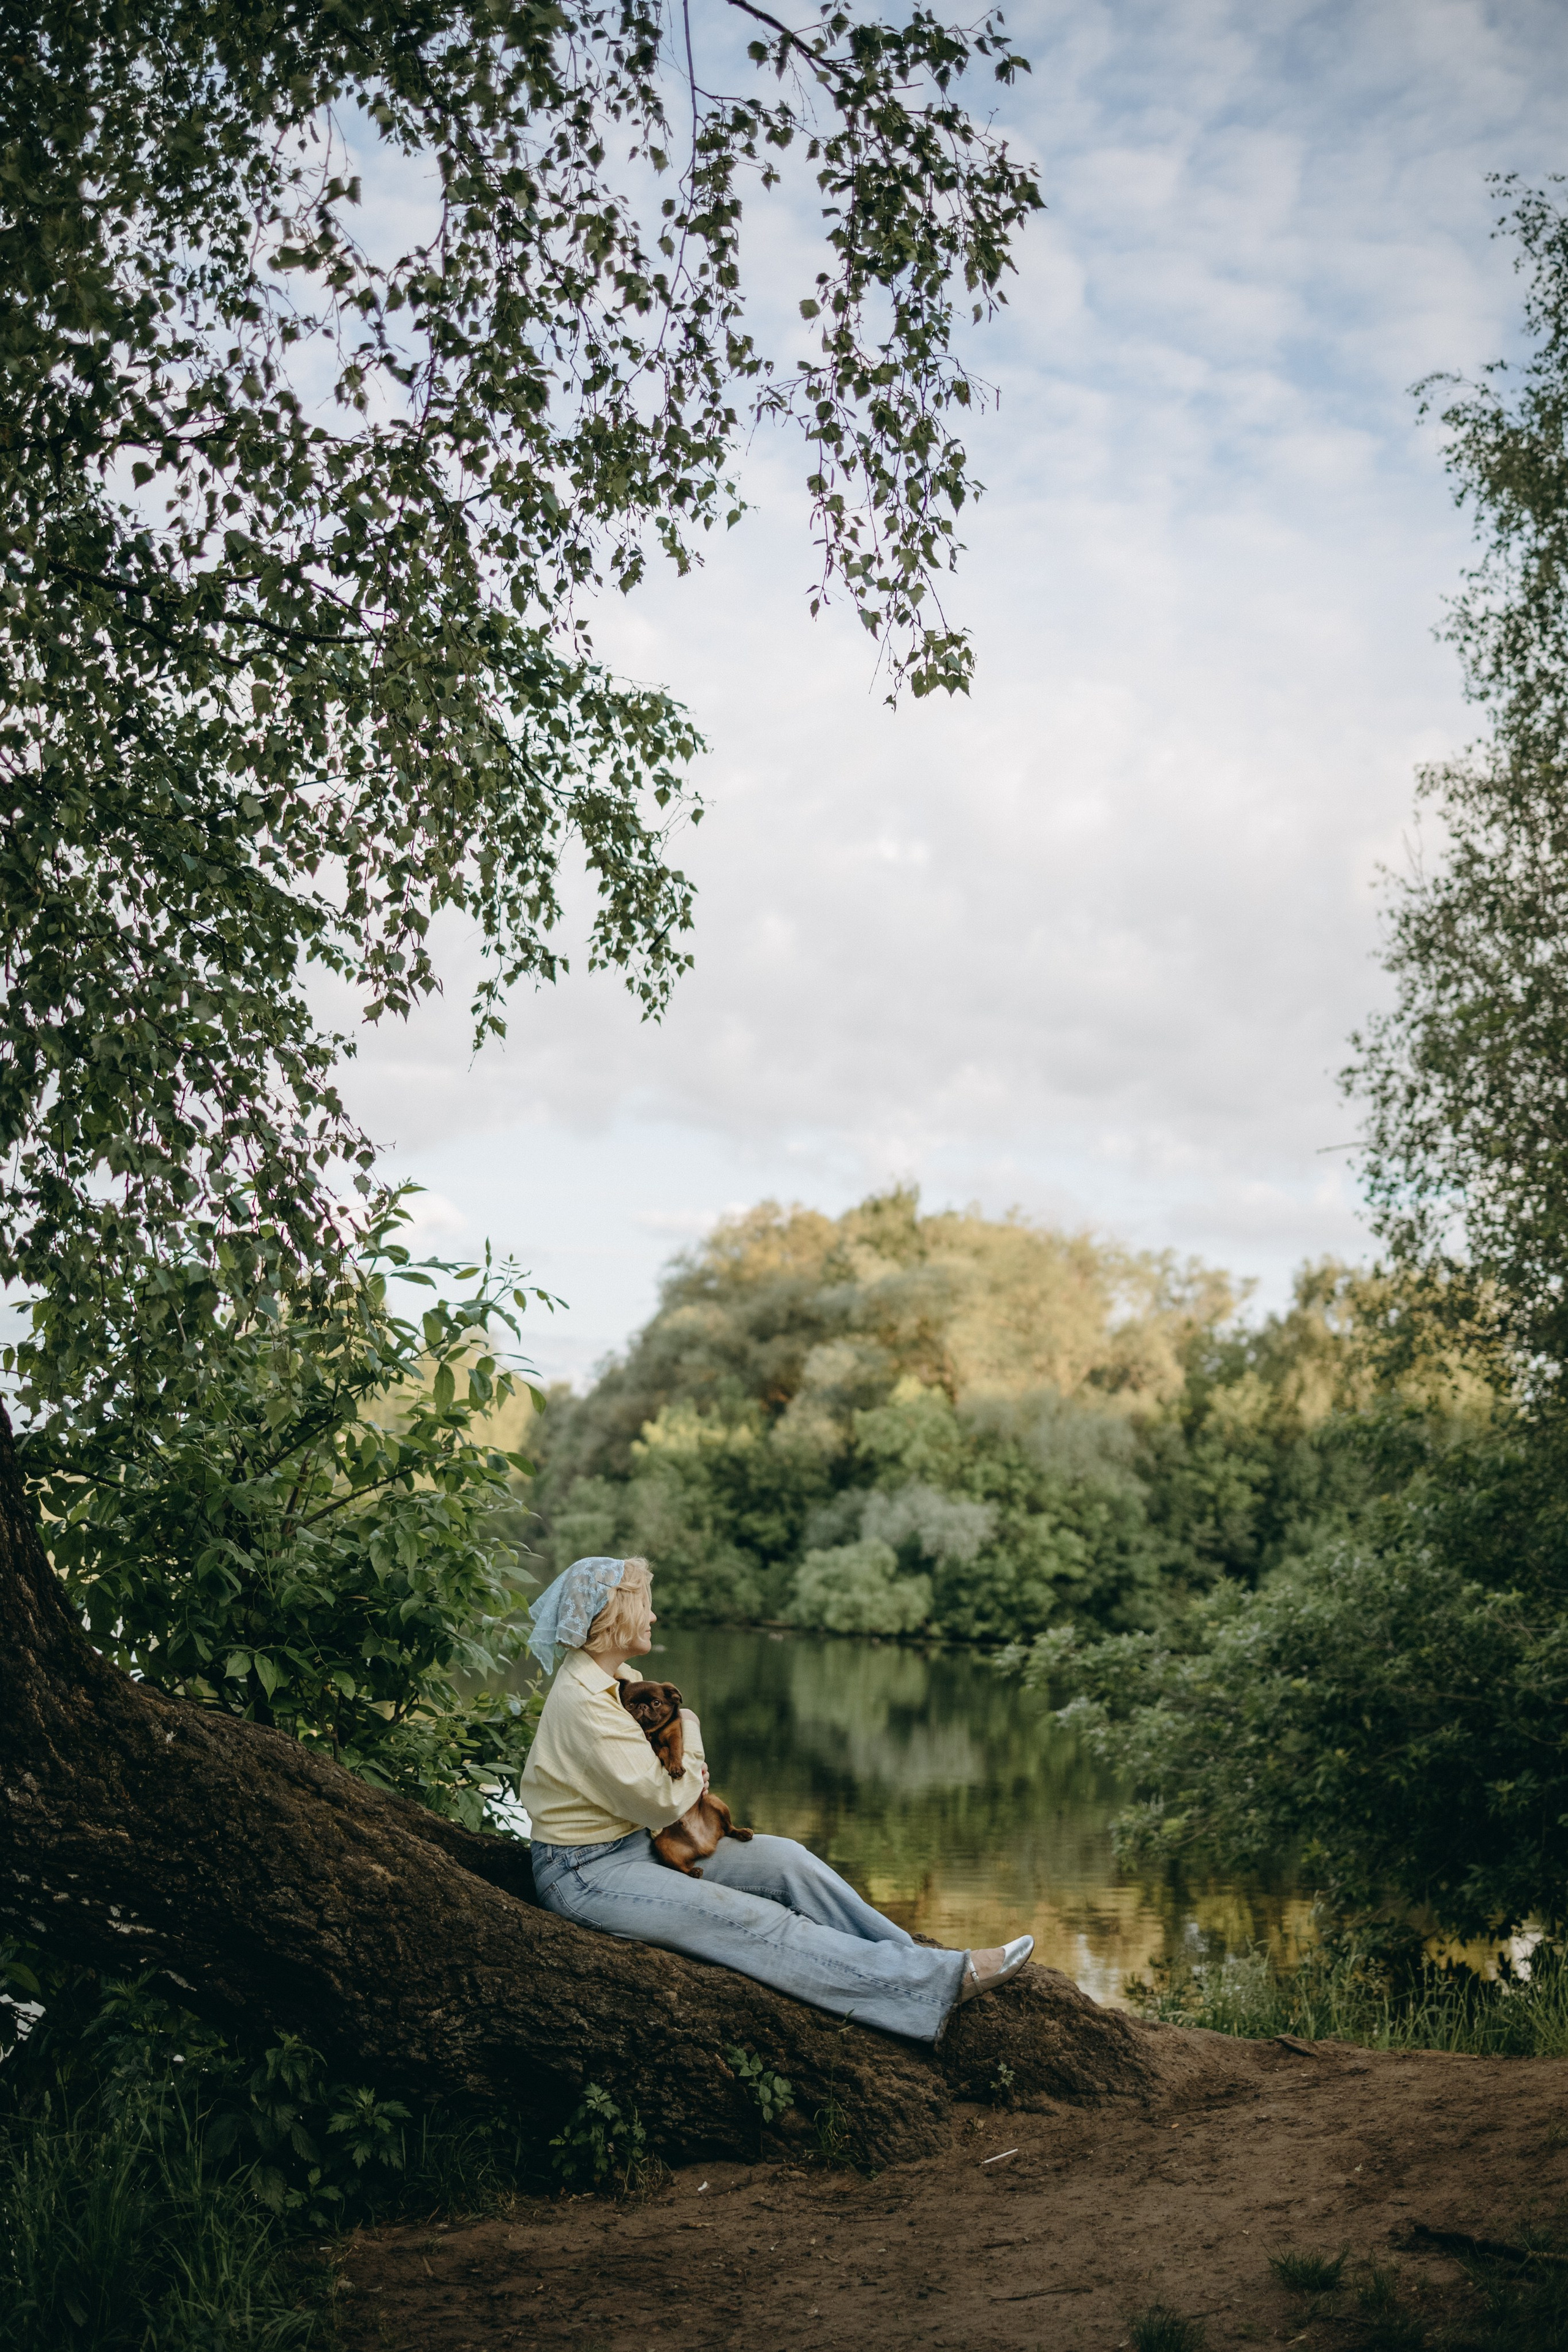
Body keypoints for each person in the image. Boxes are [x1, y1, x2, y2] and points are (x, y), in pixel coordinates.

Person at [519, 1553, 1033, 2043]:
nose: (653, 1614)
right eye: (644, 1605)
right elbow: (661, 1802)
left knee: (789, 1861)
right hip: (586, 1873)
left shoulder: (618, 1679)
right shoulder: (585, 1701)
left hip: (634, 1846)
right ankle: (935, 1983)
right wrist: (692, 1732)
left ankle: (910, 1959)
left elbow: (662, 1786)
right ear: (614, 1615)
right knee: (753, 1921)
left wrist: (683, 1774)